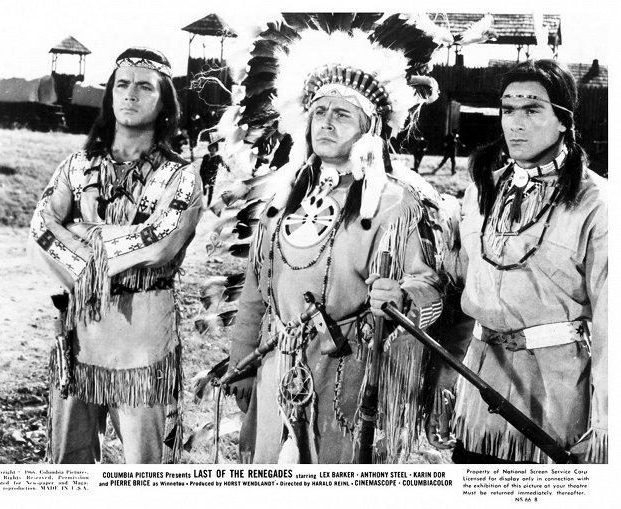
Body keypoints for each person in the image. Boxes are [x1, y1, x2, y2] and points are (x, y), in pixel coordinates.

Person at [221, 19, 450, 464]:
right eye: (319, 112)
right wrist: (241, 361)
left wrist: (403, 296)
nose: (326, 123)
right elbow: (255, 290)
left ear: (371, 129)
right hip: (275, 361)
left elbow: (432, 290)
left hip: (349, 372)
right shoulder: (281, 195)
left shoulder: (396, 203)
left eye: (342, 113)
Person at [29, 47, 203, 463]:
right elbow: (40, 229)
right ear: (109, 96)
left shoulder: (179, 176)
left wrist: (78, 231)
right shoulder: (77, 165)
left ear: (164, 101)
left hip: (143, 336)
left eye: (145, 86)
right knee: (68, 463)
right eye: (122, 84)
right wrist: (113, 246)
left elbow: (160, 242)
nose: (130, 94)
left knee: (143, 469)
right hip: (79, 333)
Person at [449, 59, 607, 463]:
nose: (515, 123)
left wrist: (606, 424)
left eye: (532, 109)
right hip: (482, 390)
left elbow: (613, 321)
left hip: (556, 399)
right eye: (508, 110)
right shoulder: (482, 191)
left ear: (563, 121)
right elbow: (462, 278)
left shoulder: (597, 203)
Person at [199, 141, 229, 206]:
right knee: (205, 186)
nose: (212, 150)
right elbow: (202, 165)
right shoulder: (206, 156)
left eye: (214, 148)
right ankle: (204, 190)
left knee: (211, 190)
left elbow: (224, 164)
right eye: (211, 148)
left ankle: (208, 203)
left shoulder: (218, 157)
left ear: (216, 149)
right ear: (209, 149)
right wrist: (201, 173)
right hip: (204, 174)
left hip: (212, 176)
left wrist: (228, 169)